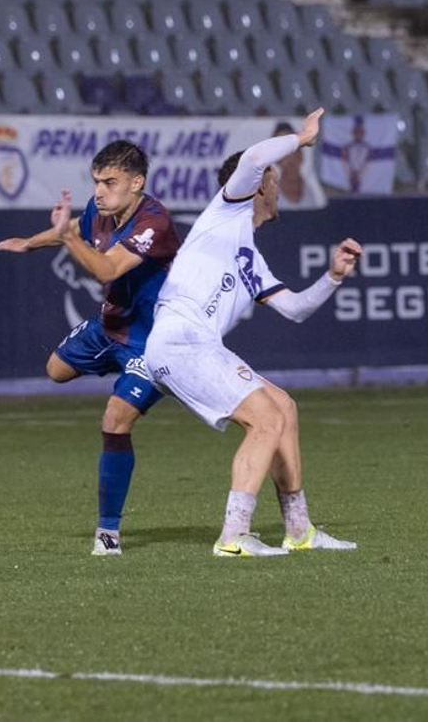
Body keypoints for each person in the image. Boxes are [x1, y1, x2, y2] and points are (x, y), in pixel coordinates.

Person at [141, 109, 363, 557]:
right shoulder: (229, 208)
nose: (277, 186)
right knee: (265, 419)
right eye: (274, 178)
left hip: (199, 344)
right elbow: (258, 155)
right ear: (261, 183)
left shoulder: (249, 256)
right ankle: (233, 537)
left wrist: (333, 277)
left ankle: (299, 531)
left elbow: (296, 309)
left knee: (283, 407)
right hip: (179, 340)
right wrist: (301, 138)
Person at [0, 140, 181, 556]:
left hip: (151, 344)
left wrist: (64, 238)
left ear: (137, 182)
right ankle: (118, 370)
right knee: (55, 370)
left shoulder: (155, 222)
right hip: (109, 326)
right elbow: (77, 229)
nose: (99, 191)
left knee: (115, 421)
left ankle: (108, 532)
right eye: (96, 181)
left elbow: (107, 268)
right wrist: (31, 242)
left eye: (109, 182)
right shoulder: (104, 209)